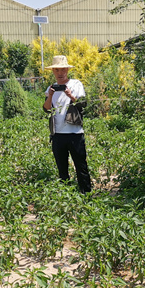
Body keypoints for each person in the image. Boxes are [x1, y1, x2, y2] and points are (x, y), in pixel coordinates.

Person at [43, 55, 91, 193]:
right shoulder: (50, 88)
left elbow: (82, 105)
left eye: (63, 69)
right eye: (57, 70)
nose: (60, 73)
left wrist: (70, 95)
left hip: (75, 133)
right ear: (53, 72)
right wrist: (50, 95)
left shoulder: (76, 84)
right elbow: (46, 108)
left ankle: (86, 194)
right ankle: (65, 196)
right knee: (62, 169)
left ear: (67, 70)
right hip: (58, 134)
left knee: (81, 166)